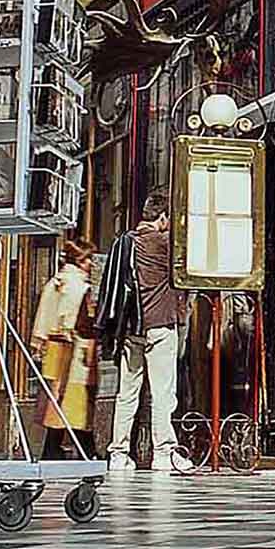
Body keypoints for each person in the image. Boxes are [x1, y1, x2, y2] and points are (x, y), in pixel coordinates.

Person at [107, 191, 192, 474]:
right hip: (160, 325)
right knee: (162, 393)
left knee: (127, 392)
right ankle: (164, 451)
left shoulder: (126, 242)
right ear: (163, 217)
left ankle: (118, 453)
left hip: (131, 328)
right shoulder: (165, 243)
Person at [31, 237, 98, 457]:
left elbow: (44, 314)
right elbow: (78, 321)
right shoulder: (79, 286)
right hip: (73, 349)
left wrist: (39, 341)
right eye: (88, 259)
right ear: (80, 260)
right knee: (76, 399)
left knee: (56, 398)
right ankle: (86, 450)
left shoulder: (56, 281)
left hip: (53, 348)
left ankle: (53, 448)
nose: (91, 264)